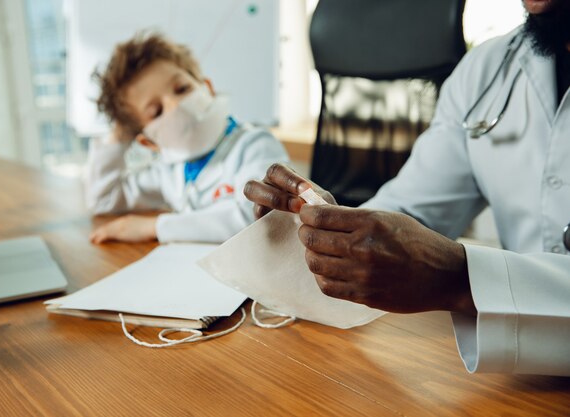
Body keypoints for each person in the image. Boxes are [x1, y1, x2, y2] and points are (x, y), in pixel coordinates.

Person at [243, 0, 570, 376]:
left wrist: (462, 278)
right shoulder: (487, 70)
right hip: (519, 376)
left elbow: (439, 263)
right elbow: (412, 212)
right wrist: (328, 227)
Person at [85, 33, 289, 244]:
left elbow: (256, 221)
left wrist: (154, 227)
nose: (176, 106)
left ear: (207, 89)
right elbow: (104, 199)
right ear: (149, 143)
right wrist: (120, 133)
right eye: (156, 112)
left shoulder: (255, 146)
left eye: (182, 89)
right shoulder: (169, 170)